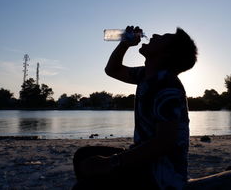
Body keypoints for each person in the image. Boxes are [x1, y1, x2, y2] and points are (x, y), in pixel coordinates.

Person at [72, 26, 197, 190]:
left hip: (159, 176)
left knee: (86, 186)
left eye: (163, 37)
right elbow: (112, 70)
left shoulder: (168, 86)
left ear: (166, 53)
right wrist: (125, 44)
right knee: (83, 156)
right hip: (146, 161)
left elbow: (164, 142)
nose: (155, 34)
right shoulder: (146, 75)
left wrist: (112, 162)